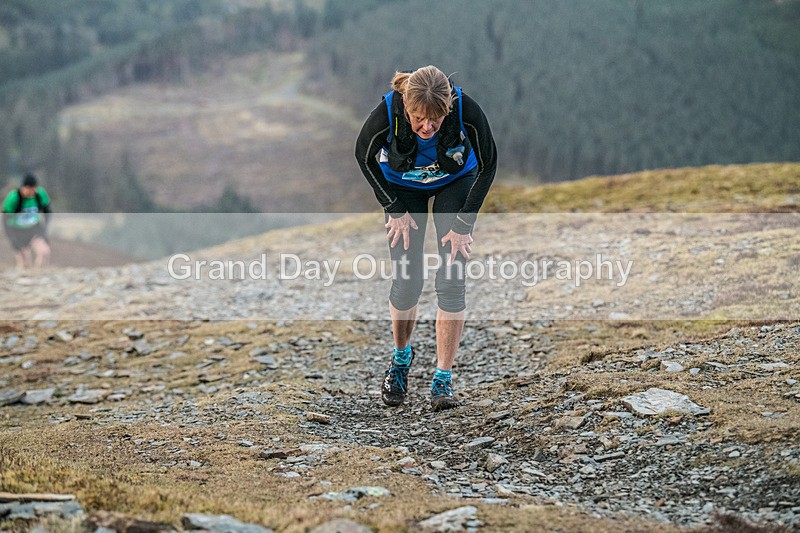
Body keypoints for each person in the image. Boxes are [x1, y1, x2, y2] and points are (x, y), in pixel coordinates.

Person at [355, 65, 497, 411]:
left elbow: (489, 164)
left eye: (435, 119)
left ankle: (442, 380)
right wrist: (392, 207)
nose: (427, 127)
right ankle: (401, 359)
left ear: (447, 108)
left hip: (455, 181)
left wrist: (463, 224)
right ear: (406, 105)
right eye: (419, 118)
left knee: (451, 279)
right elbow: (364, 157)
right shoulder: (387, 111)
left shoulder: (466, 108)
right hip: (403, 190)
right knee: (407, 280)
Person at [2, 173, 52, 269]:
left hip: (34, 229)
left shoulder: (40, 194)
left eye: (34, 188)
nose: (32, 191)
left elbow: (47, 212)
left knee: (44, 252)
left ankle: (39, 276)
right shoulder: (13, 197)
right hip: (18, 231)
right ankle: (24, 278)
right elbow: (5, 220)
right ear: (24, 187)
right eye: (30, 188)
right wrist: (12, 239)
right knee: (24, 261)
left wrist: (43, 232)